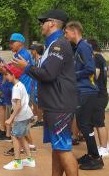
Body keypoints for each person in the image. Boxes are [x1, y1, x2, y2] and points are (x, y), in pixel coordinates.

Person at [13, 9, 79, 176]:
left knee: (63, 148)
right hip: (55, 103)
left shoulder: (58, 44)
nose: (41, 26)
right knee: (57, 148)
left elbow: (49, 74)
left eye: (43, 22)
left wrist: (26, 67)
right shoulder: (53, 44)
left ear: (52, 23)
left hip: (59, 104)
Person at [64, 21, 104, 170]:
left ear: (74, 31)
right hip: (83, 90)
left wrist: (73, 75)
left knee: (85, 124)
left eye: (67, 32)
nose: (65, 35)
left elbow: (89, 68)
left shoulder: (84, 47)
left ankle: (95, 158)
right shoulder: (79, 48)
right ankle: (91, 154)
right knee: (83, 124)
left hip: (87, 91)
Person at [2, 64, 36, 170]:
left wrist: (11, 118)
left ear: (13, 75)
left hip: (21, 116)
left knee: (15, 136)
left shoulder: (16, 88)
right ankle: (30, 160)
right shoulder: (20, 85)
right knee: (21, 136)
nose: (5, 76)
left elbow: (18, 105)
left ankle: (17, 162)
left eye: (7, 74)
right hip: (26, 115)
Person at [87, 39, 109, 157]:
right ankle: (105, 145)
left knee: (99, 122)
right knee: (98, 121)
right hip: (102, 94)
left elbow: (95, 74)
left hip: (98, 95)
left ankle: (104, 148)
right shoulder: (101, 58)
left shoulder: (95, 58)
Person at [29, 44, 45, 128]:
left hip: (38, 84)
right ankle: (39, 119)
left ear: (35, 51)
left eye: (32, 50)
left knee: (38, 102)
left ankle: (40, 120)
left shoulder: (40, 60)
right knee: (35, 102)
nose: (31, 52)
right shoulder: (35, 60)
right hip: (34, 83)